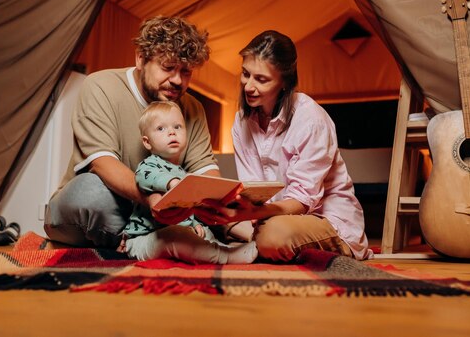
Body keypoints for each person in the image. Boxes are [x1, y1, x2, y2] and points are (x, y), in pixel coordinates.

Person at [195, 30, 373, 261]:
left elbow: (302, 201)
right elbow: (253, 190)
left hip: (324, 220)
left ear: (284, 82)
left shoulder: (311, 119)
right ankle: (257, 240)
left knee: (272, 237)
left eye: (261, 79)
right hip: (270, 216)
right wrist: (233, 207)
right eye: (245, 74)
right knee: (209, 217)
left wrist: (255, 215)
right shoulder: (241, 122)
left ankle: (261, 243)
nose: (248, 86)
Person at [44, 16, 220, 248]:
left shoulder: (193, 108)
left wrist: (220, 200)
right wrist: (152, 200)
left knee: (218, 205)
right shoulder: (101, 86)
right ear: (140, 58)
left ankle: (144, 244)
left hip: (154, 215)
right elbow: (103, 163)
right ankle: (151, 244)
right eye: (167, 68)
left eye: (186, 72)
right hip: (92, 210)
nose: (177, 80)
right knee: (92, 191)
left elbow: (206, 171)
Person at [120, 100, 257, 263]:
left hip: (176, 230)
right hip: (142, 239)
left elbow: (186, 208)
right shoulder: (149, 165)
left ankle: (223, 248)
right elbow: (143, 178)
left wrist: (193, 224)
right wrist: (172, 182)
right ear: (147, 142)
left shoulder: (183, 173)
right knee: (176, 237)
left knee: (203, 231)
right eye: (161, 128)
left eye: (177, 127)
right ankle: (226, 257)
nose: (171, 132)